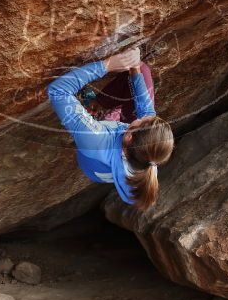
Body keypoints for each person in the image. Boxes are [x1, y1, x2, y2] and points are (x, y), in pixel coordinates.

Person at [47, 47, 174, 210]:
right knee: (141, 69)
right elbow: (147, 113)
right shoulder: (150, 152)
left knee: (89, 123)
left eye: (140, 122)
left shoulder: (96, 138)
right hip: (117, 153)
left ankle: (93, 112)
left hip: (97, 150)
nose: (145, 115)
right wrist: (134, 67)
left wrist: (106, 65)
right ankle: (98, 104)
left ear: (129, 137)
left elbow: (57, 90)